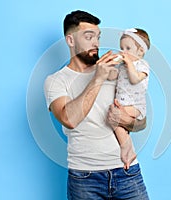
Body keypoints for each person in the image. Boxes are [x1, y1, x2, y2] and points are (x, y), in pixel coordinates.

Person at [44, 10, 149, 199]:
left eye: (98, 37)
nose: (96, 43)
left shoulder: (117, 71)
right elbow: (69, 119)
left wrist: (126, 120)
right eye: (88, 36)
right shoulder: (55, 81)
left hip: (127, 172)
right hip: (84, 178)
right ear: (70, 40)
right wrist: (98, 78)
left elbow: (141, 122)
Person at [110, 28, 150, 170]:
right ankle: (127, 150)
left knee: (114, 118)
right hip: (122, 103)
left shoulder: (142, 65)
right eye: (121, 48)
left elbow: (134, 79)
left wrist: (129, 64)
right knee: (116, 123)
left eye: (128, 48)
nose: (123, 52)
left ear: (140, 52)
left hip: (136, 106)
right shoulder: (122, 66)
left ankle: (127, 149)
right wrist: (110, 66)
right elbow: (112, 79)